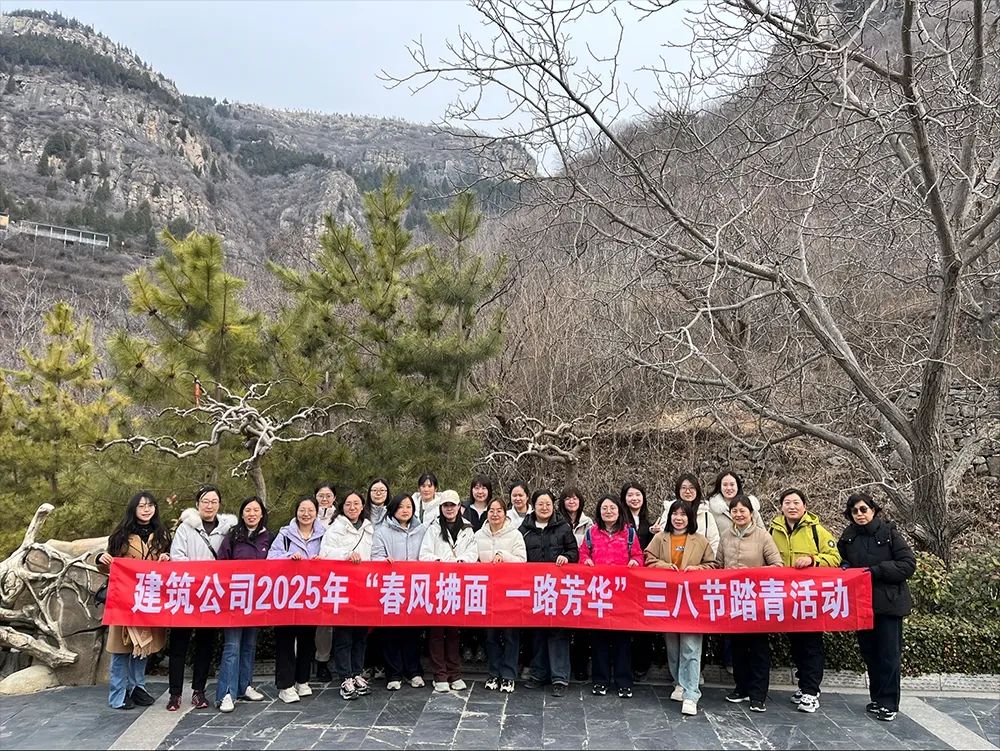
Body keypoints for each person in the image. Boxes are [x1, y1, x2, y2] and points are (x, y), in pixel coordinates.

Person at [838, 492, 915, 722]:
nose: (860, 514)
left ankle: (889, 703)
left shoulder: (889, 533)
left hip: (888, 603)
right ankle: (877, 698)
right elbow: (841, 559)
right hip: (862, 604)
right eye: (854, 511)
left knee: (888, 654)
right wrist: (844, 567)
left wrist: (877, 571)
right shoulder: (848, 536)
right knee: (870, 653)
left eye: (864, 509)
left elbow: (908, 564)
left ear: (873, 510)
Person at [769, 487, 841, 714]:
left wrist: (812, 560)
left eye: (796, 502)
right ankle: (803, 685)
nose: (792, 506)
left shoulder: (817, 530)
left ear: (804, 506)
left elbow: (835, 558)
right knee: (796, 645)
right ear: (781, 507)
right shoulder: (773, 530)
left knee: (811, 644)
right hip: (785, 599)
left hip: (810, 599)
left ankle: (811, 691)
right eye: (787, 503)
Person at [99, 491, 171, 710]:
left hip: (149, 599)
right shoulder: (121, 534)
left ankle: (137, 688)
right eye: (141, 506)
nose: (146, 509)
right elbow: (108, 565)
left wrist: (168, 559)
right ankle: (118, 694)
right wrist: (101, 560)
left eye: (150, 505)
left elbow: (171, 565)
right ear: (134, 509)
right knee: (122, 648)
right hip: (124, 599)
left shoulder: (162, 535)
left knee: (143, 646)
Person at [644, 500, 717, 716]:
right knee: (673, 645)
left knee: (691, 646)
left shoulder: (700, 540)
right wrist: (664, 566)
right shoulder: (660, 538)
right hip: (668, 601)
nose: (678, 518)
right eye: (675, 514)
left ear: (690, 518)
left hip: (692, 602)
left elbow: (713, 564)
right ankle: (679, 683)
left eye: (683, 514)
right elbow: (648, 558)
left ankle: (691, 693)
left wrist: (698, 569)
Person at [168, 484, 237, 711]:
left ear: (219, 504)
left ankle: (199, 691)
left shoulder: (227, 529)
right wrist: (198, 574)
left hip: (211, 596)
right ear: (197, 504)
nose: (209, 505)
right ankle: (175, 693)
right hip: (186, 594)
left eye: (214, 501)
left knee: (205, 645)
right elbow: (177, 557)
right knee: (179, 645)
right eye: (205, 501)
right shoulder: (185, 528)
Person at [718, 493, 782, 712]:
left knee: (758, 648)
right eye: (734, 511)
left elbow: (777, 566)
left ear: (751, 513)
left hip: (757, 602)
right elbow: (718, 564)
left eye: (742, 510)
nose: (738, 514)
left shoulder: (763, 536)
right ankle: (741, 688)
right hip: (734, 600)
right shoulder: (726, 535)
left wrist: (752, 573)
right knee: (737, 647)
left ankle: (758, 694)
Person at [579, 493, 643, 699]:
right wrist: (586, 561)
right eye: (604, 508)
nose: (608, 512)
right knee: (599, 640)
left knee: (622, 641)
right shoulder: (591, 533)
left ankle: (624, 682)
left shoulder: (629, 533)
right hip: (598, 594)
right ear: (599, 511)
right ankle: (600, 680)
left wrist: (635, 562)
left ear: (619, 510)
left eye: (612, 508)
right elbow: (583, 554)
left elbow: (638, 555)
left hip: (622, 595)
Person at [267, 495, 327, 703]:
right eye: (302, 510)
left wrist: (321, 560)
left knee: (307, 639)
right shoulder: (285, 534)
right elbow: (271, 558)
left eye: (310, 510)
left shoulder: (324, 535)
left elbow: (331, 557)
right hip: (286, 596)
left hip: (311, 596)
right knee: (285, 639)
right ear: (296, 511)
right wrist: (288, 558)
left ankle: (302, 680)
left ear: (316, 513)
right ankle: (285, 685)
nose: (306, 514)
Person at [215, 495, 273, 711]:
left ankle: (244, 685)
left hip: (256, 601)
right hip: (234, 600)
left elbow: (277, 564)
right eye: (248, 510)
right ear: (242, 513)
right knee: (232, 647)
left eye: (256, 510)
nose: (252, 514)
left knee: (249, 645)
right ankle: (225, 693)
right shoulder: (233, 536)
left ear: (262, 514)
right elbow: (221, 565)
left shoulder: (269, 537)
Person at [519, 488, 578, 697]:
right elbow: (518, 553)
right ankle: (538, 673)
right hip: (533, 588)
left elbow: (574, 552)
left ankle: (559, 677)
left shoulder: (563, 527)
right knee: (537, 632)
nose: (544, 508)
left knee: (557, 632)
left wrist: (567, 558)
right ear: (533, 506)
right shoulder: (524, 529)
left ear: (553, 506)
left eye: (548, 504)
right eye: (540, 504)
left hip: (558, 589)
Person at [419, 489, 477, 692]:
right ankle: (439, 674)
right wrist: (440, 562)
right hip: (437, 586)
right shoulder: (433, 528)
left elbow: (473, 553)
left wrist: (462, 561)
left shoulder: (467, 529)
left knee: (453, 632)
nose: (449, 509)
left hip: (458, 586)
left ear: (459, 507)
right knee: (436, 631)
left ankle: (454, 672)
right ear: (441, 508)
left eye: (453, 505)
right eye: (446, 505)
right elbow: (424, 554)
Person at [320, 490, 375, 701]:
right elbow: (325, 553)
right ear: (342, 507)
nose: (352, 507)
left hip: (364, 588)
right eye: (348, 504)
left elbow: (374, 555)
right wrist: (346, 555)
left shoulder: (369, 528)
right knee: (344, 636)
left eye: (356, 504)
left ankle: (357, 672)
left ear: (362, 506)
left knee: (360, 636)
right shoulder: (335, 528)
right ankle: (345, 677)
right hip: (343, 588)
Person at [372, 492, 428, 690]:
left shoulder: (422, 530)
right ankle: (393, 674)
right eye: (401, 507)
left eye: (409, 507)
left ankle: (413, 672)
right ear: (393, 509)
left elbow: (426, 554)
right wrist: (383, 561)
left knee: (412, 632)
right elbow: (375, 556)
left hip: (415, 588)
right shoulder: (382, 531)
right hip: (391, 587)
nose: (405, 510)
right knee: (391, 632)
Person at [475, 495, 527, 693]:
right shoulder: (478, 535)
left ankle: (508, 675)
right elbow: (472, 559)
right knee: (491, 636)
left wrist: (503, 556)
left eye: (499, 511)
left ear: (506, 514)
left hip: (510, 593)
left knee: (510, 636)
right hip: (488, 594)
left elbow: (522, 560)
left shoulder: (515, 535)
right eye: (491, 511)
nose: (495, 514)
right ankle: (493, 673)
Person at [621, 481, 656, 682]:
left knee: (643, 622)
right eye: (630, 495)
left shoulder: (650, 522)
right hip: (623, 580)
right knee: (624, 622)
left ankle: (641, 665)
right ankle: (624, 664)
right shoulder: (619, 520)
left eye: (638, 495)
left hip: (644, 580)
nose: (634, 499)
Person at [557, 486, 593, 681]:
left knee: (582, 624)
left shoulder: (589, 523)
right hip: (560, 577)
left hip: (582, 578)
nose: (571, 502)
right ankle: (562, 666)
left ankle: (580, 666)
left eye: (575, 498)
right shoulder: (556, 521)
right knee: (561, 623)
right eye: (568, 498)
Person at [461, 476, 493, 664]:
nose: (480, 492)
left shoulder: (494, 509)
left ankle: (482, 646)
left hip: (489, 568)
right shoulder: (464, 509)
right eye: (476, 488)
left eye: (483, 488)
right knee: (468, 606)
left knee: (484, 607)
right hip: (467, 566)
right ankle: (466, 645)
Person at [656, 473, 720, 555]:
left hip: (698, 560)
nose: (687, 491)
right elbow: (663, 535)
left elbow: (714, 541)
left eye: (691, 488)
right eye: (683, 488)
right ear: (678, 490)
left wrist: (708, 560)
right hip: (672, 558)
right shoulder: (669, 511)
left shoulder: (706, 515)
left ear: (697, 490)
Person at [313, 483, 338, 681]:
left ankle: (323, 660)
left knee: (326, 621)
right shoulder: (306, 515)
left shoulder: (340, 519)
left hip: (333, 575)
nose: (324, 499)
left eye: (328, 495)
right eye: (321, 495)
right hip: (309, 575)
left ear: (334, 498)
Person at [707, 470, 765, 537]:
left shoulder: (750, 504)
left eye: (732, 484)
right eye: (725, 485)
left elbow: (763, 533)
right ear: (720, 487)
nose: (729, 488)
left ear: (737, 486)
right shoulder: (712, 509)